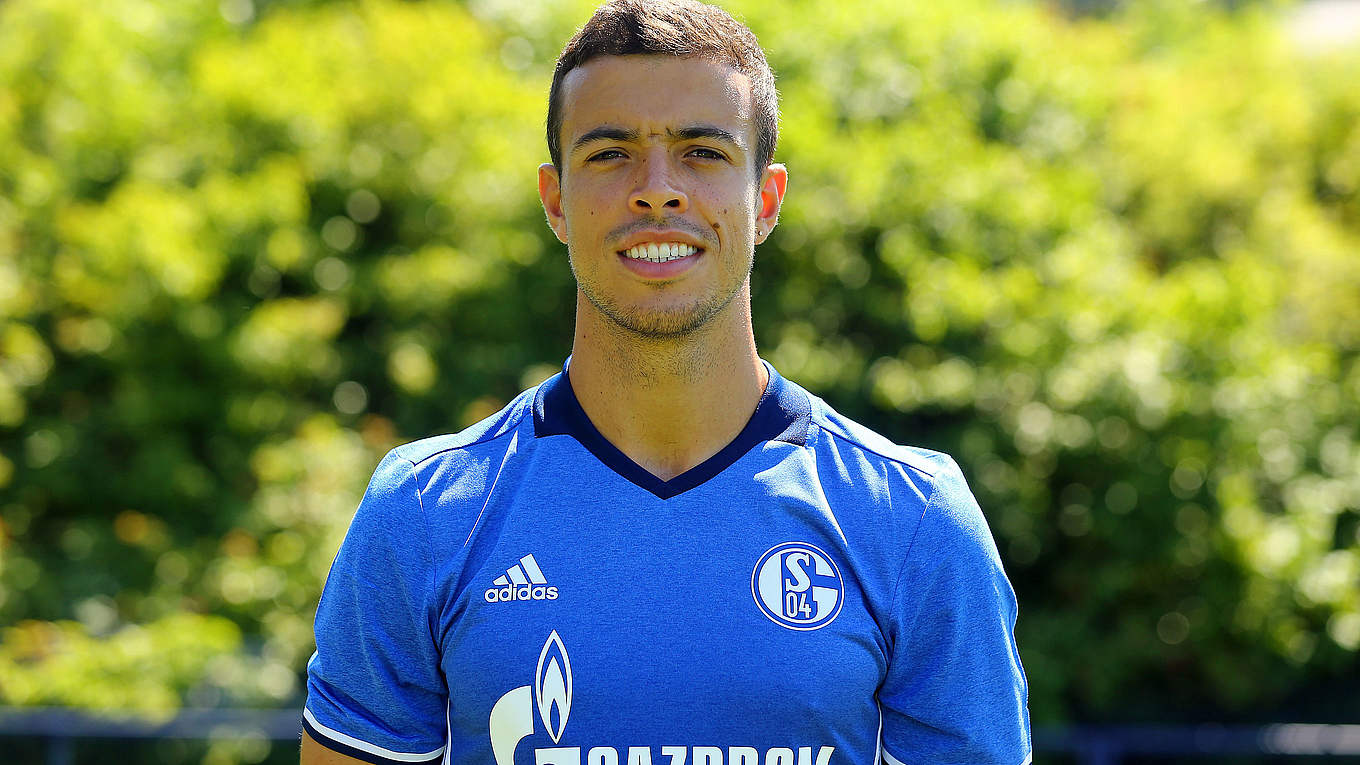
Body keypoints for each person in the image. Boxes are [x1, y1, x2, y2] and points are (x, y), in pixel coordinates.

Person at [301, 1, 1031, 763]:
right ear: (556, 201)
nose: (657, 190)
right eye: (610, 153)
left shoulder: (912, 520)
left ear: (766, 201)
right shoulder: (424, 512)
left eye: (703, 152)